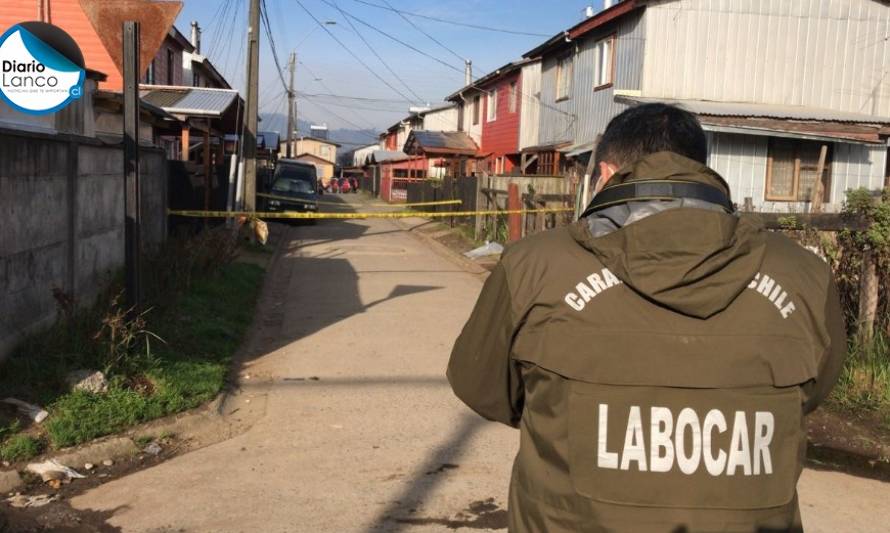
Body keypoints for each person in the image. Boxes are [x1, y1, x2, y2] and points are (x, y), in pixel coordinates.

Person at [447, 104, 846, 533]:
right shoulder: (804, 275)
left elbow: (485, 387)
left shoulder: (534, 265)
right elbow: (814, 388)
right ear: (700, 170)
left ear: (603, 175)